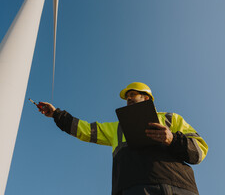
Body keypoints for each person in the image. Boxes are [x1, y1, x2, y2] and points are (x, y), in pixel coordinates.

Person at [38, 82, 208, 195]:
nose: (128, 99)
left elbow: (199, 152)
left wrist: (172, 139)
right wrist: (56, 114)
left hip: (179, 189)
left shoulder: (172, 119)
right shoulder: (117, 128)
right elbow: (84, 130)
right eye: (127, 98)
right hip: (132, 190)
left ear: (146, 97)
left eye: (132, 95)